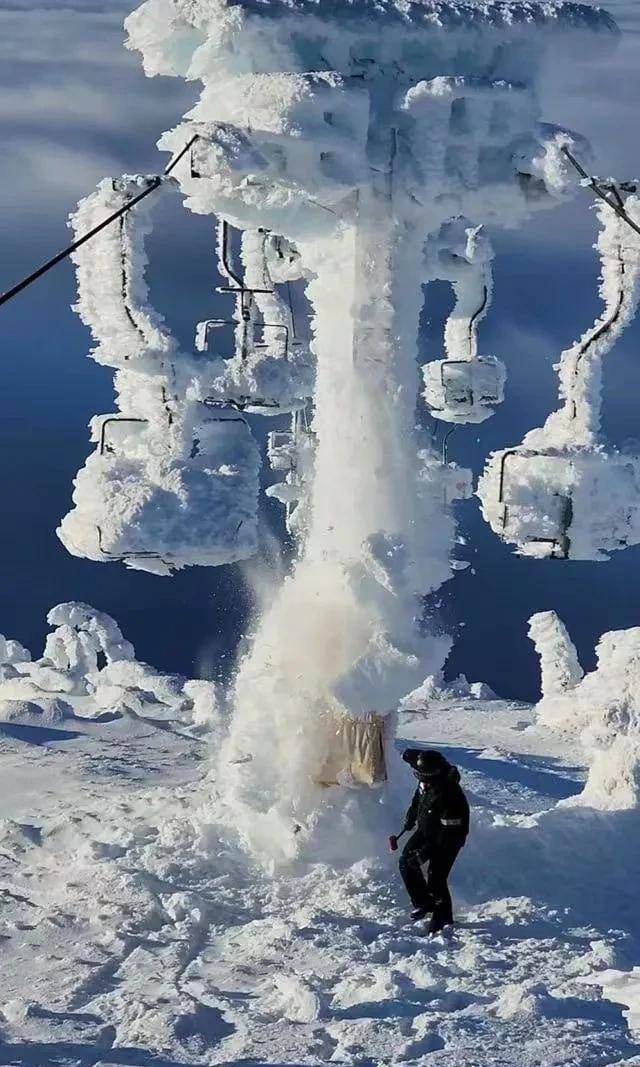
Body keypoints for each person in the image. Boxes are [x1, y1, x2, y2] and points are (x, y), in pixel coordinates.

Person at [398, 748, 469, 935]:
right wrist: (411, 818)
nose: (419, 777)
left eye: (422, 775)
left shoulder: (449, 795)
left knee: (436, 877)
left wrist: (425, 853)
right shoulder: (427, 776)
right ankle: (423, 903)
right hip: (426, 829)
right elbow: (418, 799)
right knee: (406, 861)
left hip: (448, 839)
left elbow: (447, 833)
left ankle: (443, 917)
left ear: (432, 774)